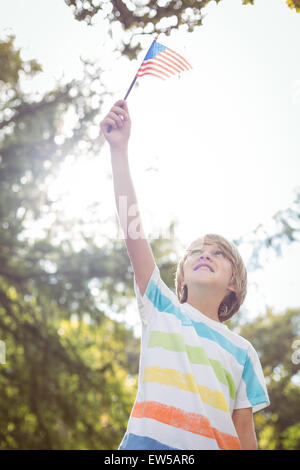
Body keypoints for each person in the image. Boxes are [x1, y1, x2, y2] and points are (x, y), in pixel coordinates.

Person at [100, 99, 270, 450]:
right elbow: (133, 229)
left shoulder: (243, 352)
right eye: (196, 250)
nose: (205, 254)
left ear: (234, 285)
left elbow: (244, 434)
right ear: (180, 279)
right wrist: (119, 150)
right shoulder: (161, 307)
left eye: (219, 254)